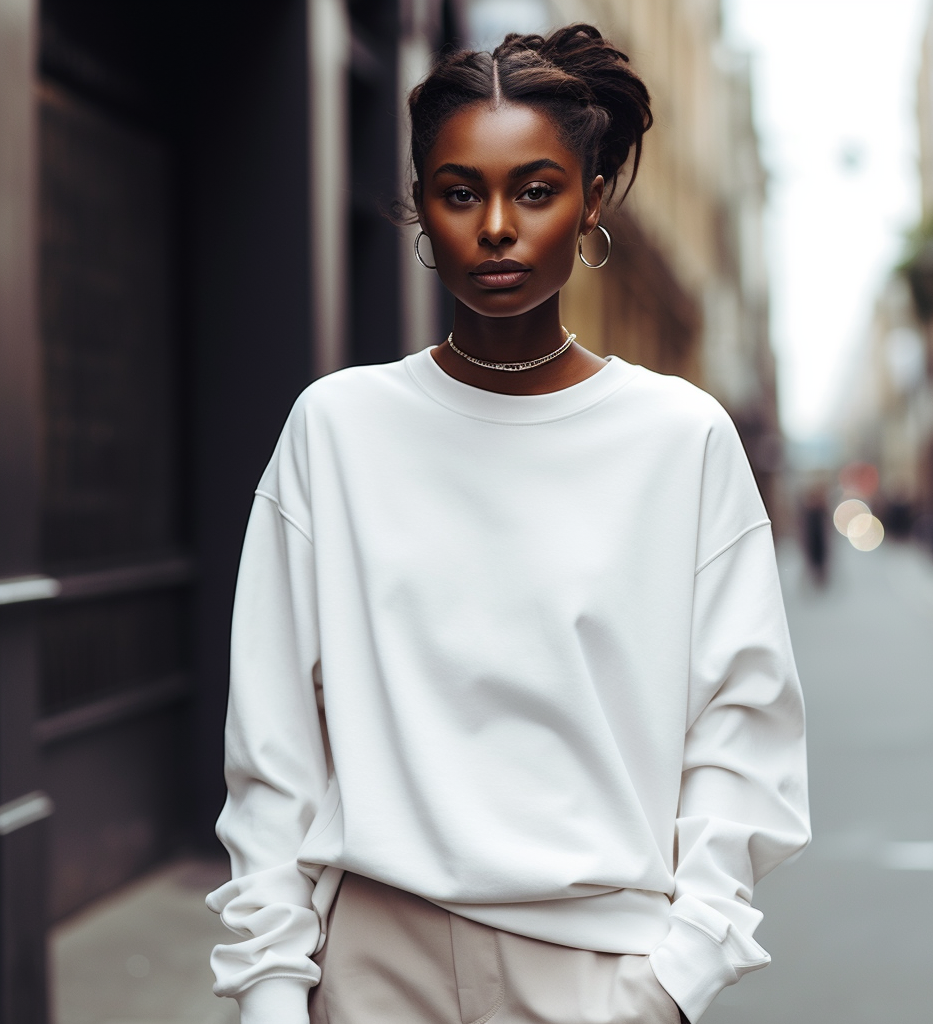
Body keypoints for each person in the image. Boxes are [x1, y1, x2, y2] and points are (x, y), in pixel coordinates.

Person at [206, 24, 810, 1024]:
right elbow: (272, 743)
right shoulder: (338, 429)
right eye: (458, 191)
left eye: (535, 190)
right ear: (418, 210)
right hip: (371, 965)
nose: (495, 225)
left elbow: (742, 729)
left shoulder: (678, 438)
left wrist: (674, 980)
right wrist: (273, 989)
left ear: (590, 204)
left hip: (602, 972)